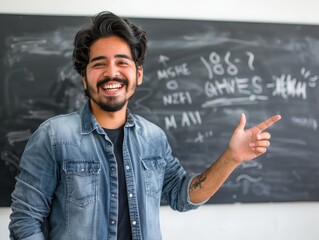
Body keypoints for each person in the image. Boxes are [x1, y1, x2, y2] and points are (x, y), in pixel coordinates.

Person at [9, 11, 281, 240]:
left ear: (138, 74)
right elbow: (25, 222)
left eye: (122, 62)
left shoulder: (153, 138)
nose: (111, 73)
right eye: (99, 64)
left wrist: (232, 158)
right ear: (84, 77)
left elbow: (182, 195)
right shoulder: (53, 137)